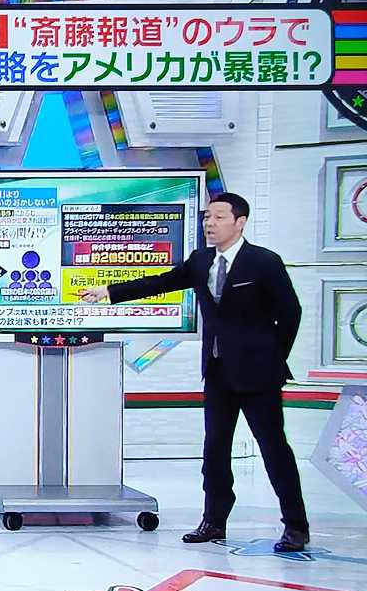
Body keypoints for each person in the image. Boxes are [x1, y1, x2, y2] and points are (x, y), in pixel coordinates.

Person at [80, 192, 307, 552]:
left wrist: (273, 358)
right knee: (214, 450)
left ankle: (295, 525)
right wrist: (109, 290)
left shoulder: (264, 262)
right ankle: (213, 520)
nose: (209, 224)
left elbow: (290, 314)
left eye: (219, 217)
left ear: (240, 222)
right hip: (218, 372)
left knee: (273, 449)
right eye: (207, 217)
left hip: (260, 376)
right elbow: (162, 282)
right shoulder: (202, 260)